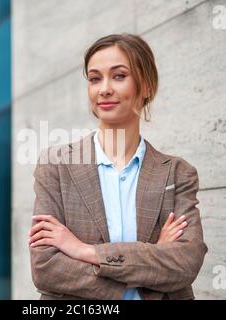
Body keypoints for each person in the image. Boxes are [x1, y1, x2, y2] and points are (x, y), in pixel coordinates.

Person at [28, 33, 208, 300]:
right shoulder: (56, 166)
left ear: (146, 86)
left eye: (119, 76)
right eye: (95, 78)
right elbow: (46, 268)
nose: (104, 89)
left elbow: (185, 263)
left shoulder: (177, 173)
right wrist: (150, 261)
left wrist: (84, 251)